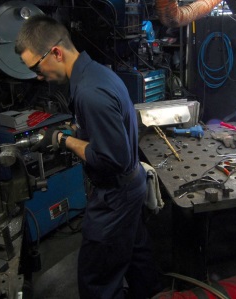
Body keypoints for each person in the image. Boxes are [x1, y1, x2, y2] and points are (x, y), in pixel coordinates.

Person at [15, 15, 162, 299]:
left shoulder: (89, 92)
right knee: (135, 256)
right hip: (132, 185)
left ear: (56, 52)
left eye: (36, 66)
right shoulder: (96, 73)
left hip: (116, 195)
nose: (37, 75)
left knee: (96, 280)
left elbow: (111, 158)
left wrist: (64, 140)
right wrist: (75, 128)